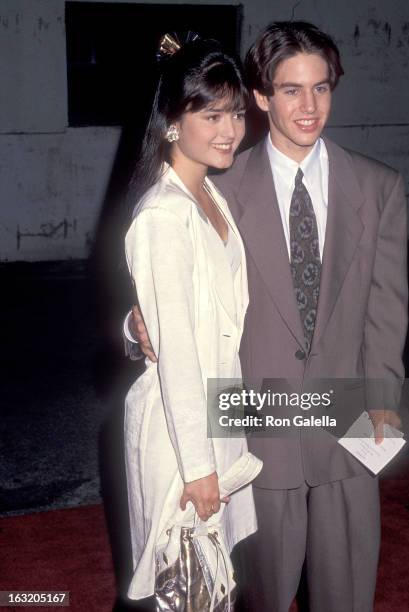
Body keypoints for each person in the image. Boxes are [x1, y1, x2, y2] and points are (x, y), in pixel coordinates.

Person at [127, 21, 408, 612]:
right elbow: (173, 296)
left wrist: (384, 407)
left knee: (350, 597)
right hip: (256, 438)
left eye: (322, 88)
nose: (309, 107)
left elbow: (387, 313)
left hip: (350, 432)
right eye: (290, 90)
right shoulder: (222, 187)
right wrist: (132, 327)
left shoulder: (380, 188)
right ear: (260, 97)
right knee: (261, 600)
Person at [123, 35, 258, 604]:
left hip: (215, 425)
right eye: (212, 113)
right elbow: (176, 349)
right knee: (185, 594)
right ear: (174, 122)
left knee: (211, 592)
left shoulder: (209, 196)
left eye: (237, 112)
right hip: (181, 445)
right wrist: (198, 467)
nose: (230, 128)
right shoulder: (163, 213)